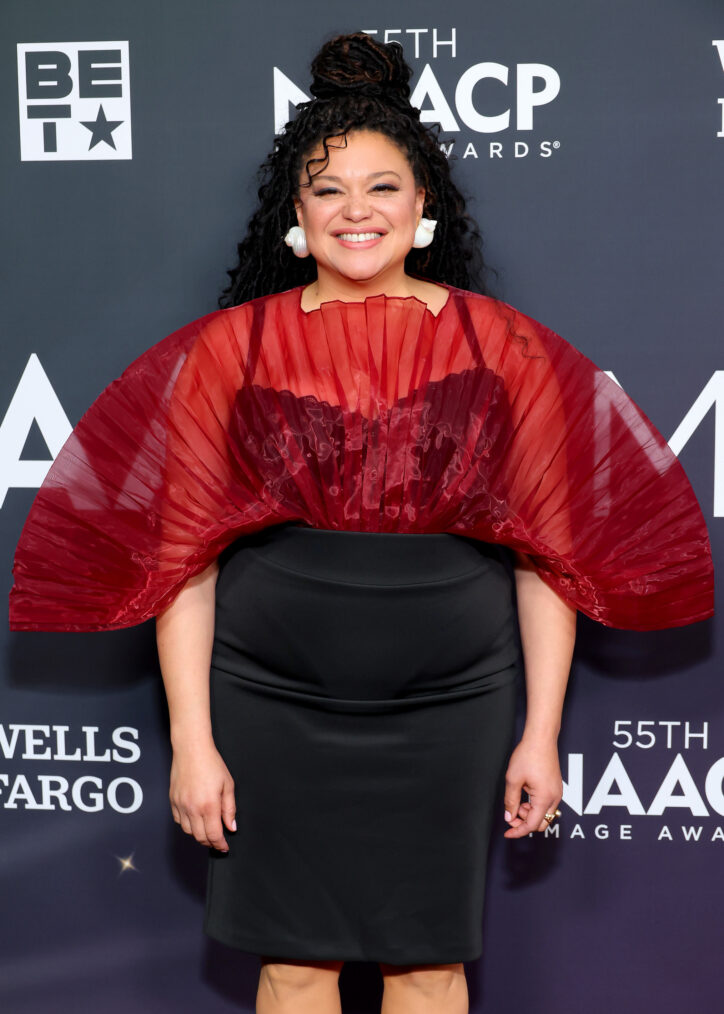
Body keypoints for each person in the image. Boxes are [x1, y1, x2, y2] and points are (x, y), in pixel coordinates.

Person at [8, 31, 714, 1014]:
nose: (355, 212)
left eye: (382, 187)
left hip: (452, 705)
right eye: (327, 190)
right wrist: (194, 742)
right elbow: (183, 564)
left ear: (423, 207)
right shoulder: (227, 354)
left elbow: (547, 557)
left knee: (427, 966)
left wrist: (540, 734)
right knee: (293, 965)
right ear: (295, 216)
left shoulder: (504, 349)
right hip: (269, 700)